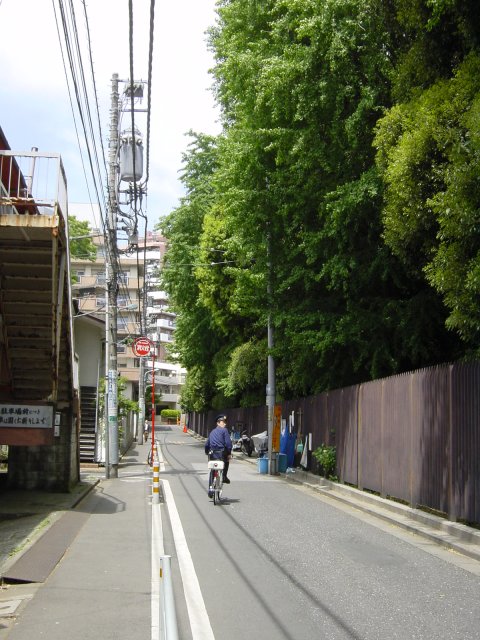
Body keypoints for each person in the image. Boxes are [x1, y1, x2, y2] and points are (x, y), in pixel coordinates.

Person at [205, 414, 233, 487]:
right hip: (221, 454)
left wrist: (206, 451)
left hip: (212, 454)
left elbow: (207, 444)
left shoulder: (212, 431)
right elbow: (228, 443)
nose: (224, 423)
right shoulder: (224, 430)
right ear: (217, 423)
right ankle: (224, 476)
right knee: (227, 459)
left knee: (213, 469)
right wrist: (229, 453)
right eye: (222, 422)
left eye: (225, 422)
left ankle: (210, 488)